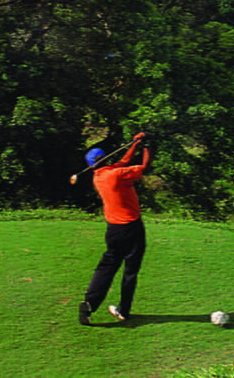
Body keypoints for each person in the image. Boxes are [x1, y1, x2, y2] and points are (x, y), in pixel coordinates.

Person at [78, 131, 150, 325]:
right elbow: (145, 167)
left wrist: (135, 144)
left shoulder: (100, 176)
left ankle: (89, 303)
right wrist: (148, 148)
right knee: (130, 271)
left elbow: (124, 161)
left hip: (113, 230)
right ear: (104, 159)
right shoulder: (116, 175)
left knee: (107, 267)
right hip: (132, 229)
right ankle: (123, 310)